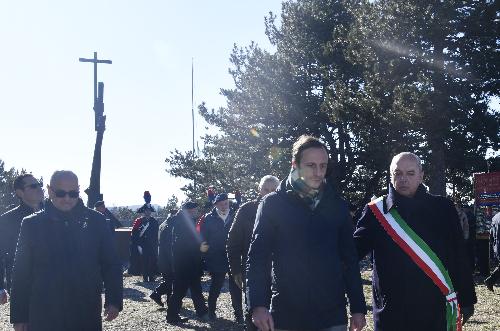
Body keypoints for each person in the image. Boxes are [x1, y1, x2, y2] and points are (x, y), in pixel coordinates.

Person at [247, 135, 367, 331]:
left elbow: (349, 259)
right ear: (295, 164)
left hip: (332, 315)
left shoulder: (338, 205)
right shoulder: (272, 204)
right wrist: (257, 305)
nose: (318, 172)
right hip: (287, 315)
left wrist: (358, 307)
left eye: (323, 165)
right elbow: (257, 257)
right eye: (311, 165)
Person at [353, 152, 477, 331]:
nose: (403, 179)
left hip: (433, 310)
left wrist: (466, 298)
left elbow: (458, 255)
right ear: (391, 175)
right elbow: (352, 253)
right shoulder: (375, 212)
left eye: (410, 173)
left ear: (421, 176)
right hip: (392, 312)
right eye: (398, 173)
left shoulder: (443, 208)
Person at [9, 170, 123, 331]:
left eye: (73, 193)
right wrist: (19, 316)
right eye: (61, 193)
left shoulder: (96, 221)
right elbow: (21, 272)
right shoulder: (31, 224)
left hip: (85, 310)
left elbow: (111, 263)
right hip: (44, 312)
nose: (67, 199)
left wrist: (114, 300)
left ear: (78, 190)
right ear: (49, 191)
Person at [227, 175, 279, 331]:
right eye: (266, 189)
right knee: (254, 316)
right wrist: (235, 270)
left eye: (274, 190)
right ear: (259, 189)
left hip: (279, 272)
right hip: (253, 271)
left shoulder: (285, 210)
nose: (269, 193)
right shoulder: (246, 210)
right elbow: (233, 243)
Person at [0, 174, 43, 305]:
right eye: (33, 186)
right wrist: (1, 287)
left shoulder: (55, 215)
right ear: (20, 192)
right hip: (23, 286)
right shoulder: (7, 220)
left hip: (56, 285)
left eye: (39, 185)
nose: (39, 188)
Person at [200, 193, 243, 322]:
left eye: (226, 203)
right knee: (216, 286)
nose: (224, 206)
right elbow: (203, 239)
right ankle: (211, 311)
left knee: (236, 286)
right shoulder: (208, 218)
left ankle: (239, 314)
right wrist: (205, 258)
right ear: (216, 204)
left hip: (233, 256)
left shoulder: (236, 215)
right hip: (216, 257)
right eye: (220, 204)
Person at [166, 201, 209, 324]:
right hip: (184, 263)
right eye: (195, 210)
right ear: (189, 211)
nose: (196, 212)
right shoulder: (182, 223)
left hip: (189, 262)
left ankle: (202, 311)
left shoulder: (181, 221)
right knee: (180, 291)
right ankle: (172, 316)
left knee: (196, 289)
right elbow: (185, 244)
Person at [149, 210, 177, 307]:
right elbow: (170, 246)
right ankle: (157, 294)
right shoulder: (171, 226)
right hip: (169, 258)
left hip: (162, 257)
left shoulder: (163, 224)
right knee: (172, 280)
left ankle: (170, 302)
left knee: (168, 280)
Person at [130, 191, 159, 282]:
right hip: (142, 244)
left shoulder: (154, 221)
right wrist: (137, 244)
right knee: (144, 260)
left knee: (152, 260)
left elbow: (156, 233)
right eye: (146, 210)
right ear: (143, 211)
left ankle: (152, 276)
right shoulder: (139, 221)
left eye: (149, 210)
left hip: (152, 244)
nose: (148, 212)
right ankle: (145, 276)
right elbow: (134, 233)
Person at [485, 211, 500, 291]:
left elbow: (491, 234)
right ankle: (490, 281)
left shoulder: (495, 217)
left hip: (497, 245)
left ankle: (490, 281)